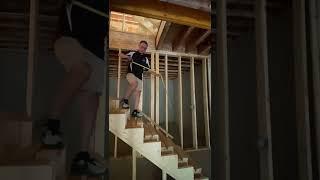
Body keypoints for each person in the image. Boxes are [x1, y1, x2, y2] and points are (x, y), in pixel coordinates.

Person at [40, 0, 107, 176]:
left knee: (94, 94)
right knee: (82, 69)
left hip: (96, 48)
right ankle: (51, 127)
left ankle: (82, 156)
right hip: (70, 37)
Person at [119, 41, 158, 117]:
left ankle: (135, 111)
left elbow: (147, 69)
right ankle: (125, 100)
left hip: (140, 77)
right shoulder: (133, 53)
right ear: (139, 46)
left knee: (138, 93)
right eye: (142, 47)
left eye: (145, 48)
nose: (143, 49)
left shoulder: (146, 59)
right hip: (131, 73)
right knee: (134, 84)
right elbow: (120, 54)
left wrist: (151, 71)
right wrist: (127, 57)